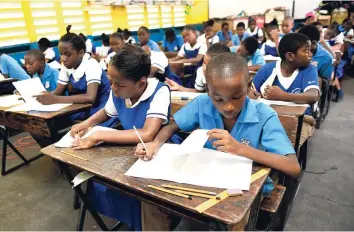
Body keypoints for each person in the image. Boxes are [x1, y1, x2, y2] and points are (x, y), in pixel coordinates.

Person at [136, 52, 301, 231]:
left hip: (244, 189)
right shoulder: (202, 103)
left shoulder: (264, 115)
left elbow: (293, 167)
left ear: (248, 86)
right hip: (205, 178)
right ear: (208, 91)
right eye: (218, 99)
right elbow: (173, 124)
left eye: (236, 97)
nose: (227, 106)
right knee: (152, 202)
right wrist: (155, 143)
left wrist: (239, 148)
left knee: (231, 218)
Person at [69, 45, 171, 230]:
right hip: (128, 147)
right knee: (102, 181)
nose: (113, 88)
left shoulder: (159, 91)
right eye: (111, 81)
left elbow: (148, 133)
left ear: (141, 83)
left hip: (154, 150)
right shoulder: (119, 89)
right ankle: (132, 221)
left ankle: (145, 222)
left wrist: (100, 134)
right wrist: (87, 124)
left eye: (119, 84)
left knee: (143, 193)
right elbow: (106, 112)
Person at [253, 33, 319, 145]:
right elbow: (251, 92)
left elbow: (313, 96)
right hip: (268, 116)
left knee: (285, 147)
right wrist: (254, 95)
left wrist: (282, 96)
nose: (311, 54)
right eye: (306, 51)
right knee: (254, 141)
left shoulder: (309, 70)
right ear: (290, 56)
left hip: (300, 120)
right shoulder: (268, 69)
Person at [35, 33, 113, 123]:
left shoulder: (91, 64)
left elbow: (90, 97)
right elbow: (58, 91)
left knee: (87, 129)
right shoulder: (66, 65)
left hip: (102, 107)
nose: (63, 58)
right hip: (83, 107)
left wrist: (55, 99)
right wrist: (41, 97)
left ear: (81, 53)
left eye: (67, 54)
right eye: (61, 54)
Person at [165, 43, 230, 92]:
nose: (204, 68)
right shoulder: (200, 72)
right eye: (204, 63)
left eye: (210, 66)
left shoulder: (232, 78)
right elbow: (199, 92)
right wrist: (179, 87)